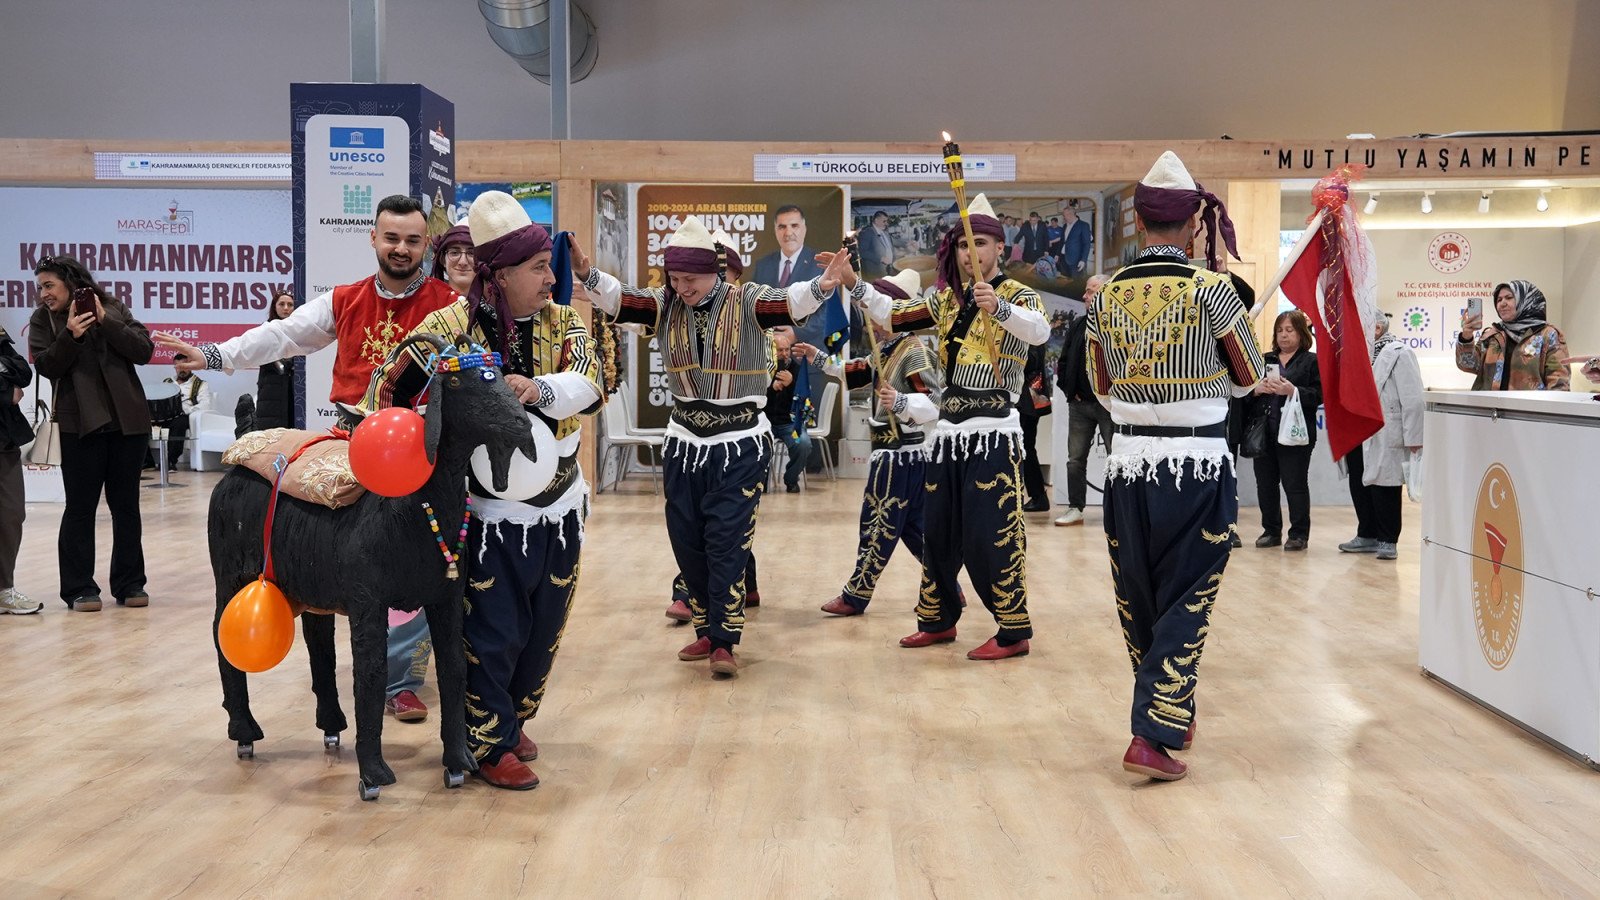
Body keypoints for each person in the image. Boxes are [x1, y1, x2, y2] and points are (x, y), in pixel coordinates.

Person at [157, 193, 459, 719]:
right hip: (352, 444)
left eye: (412, 240)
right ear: (373, 237)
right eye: (391, 238)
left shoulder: (451, 306)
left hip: (422, 452)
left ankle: (402, 680)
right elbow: (283, 336)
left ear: (425, 244)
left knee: (433, 562)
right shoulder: (342, 300)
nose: (401, 249)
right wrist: (214, 355)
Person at [361, 190, 602, 789]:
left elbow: (590, 382)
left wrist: (538, 389)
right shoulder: (448, 328)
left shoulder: (566, 322)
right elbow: (385, 388)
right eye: (539, 268)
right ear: (500, 276)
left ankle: (509, 720)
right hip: (484, 516)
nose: (551, 278)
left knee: (544, 629)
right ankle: (488, 741)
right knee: (493, 629)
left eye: (548, 266)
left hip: (560, 507)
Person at [583, 215, 850, 677]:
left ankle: (725, 639)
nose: (682, 287)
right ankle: (706, 628)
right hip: (684, 443)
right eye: (675, 278)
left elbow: (790, 301)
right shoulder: (665, 304)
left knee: (726, 540)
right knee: (687, 540)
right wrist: (587, 274)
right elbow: (621, 299)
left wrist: (822, 286)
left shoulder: (747, 300)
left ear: (715, 271)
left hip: (740, 444)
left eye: (690, 278)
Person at [1086, 150, 1265, 781]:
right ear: (1193, 224)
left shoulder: (1105, 297)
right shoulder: (1214, 291)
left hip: (1128, 463)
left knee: (1139, 593)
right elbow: (1246, 379)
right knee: (1189, 594)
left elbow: (1100, 386)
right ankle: (1154, 729)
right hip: (1196, 463)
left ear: (1138, 222)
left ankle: (1169, 709)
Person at [854, 193, 1049, 661]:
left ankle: (1012, 631)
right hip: (948, 434)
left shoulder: (1019, 295)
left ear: (999, 247)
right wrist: (853, 286)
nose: (970, 253)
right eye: (963, 244)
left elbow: (1039, 331)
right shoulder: (944, 300)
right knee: (938, 534)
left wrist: (999, 308)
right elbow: (894, 315)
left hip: (993, 434)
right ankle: (938, 620)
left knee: (992, 534)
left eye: (979, 243)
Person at [30, 255, 155, 611]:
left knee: (126, 507)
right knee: (80, 508)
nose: (43, 294)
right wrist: (71, 335)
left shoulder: (113, 307)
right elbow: (47, 366)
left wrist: (106, 321)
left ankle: (130, 584)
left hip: (127, 424)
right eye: (40, 287)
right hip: (79, 426)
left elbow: (144, 350)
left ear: (71, 282)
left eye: (49, 285)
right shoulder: (42, 320)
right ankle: (79, 588)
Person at [820, 269, 940, 617]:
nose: (871, 321)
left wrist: (900, 402)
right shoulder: (887, 350)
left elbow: (934, 401)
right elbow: (857, 371)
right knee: (914, 529)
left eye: (876, 313)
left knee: (877, 524)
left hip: (899, 456)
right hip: (898, 455)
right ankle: (946, 586)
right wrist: (818, 358)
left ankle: (856, 595)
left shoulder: (914, 352)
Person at [1340, 314, 1423, 560]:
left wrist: (1415, 436)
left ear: (1376, 328)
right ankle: (1366, 534)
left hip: (1386, 429)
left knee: (1385, 484)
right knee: (1359, 481)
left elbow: (1413, 399)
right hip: (1357, 428)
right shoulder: (1354, 355)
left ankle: (1388, 539)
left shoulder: (1399, 353)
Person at [1247, 310, 1321, 551]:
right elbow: (1244, 392)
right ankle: (1271, 531)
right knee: (1265, 484)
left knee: (1294, 484)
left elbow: (1319, 395)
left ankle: (1298, 534)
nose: (1284, 335)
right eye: (1279, 330)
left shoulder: (1311, 361)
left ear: (1301, 333)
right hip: (1264, 432)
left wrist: (1293, 391)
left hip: (1295, 434)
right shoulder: (1264, 359)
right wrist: (1256, 390)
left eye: (1289, 330)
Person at [1055, 274, 1113, 527]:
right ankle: (1075, 507)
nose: (1084, 296)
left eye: (1090, 291)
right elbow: (1064, 361)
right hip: (1079, 405)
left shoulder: (1117, 325)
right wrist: (1070, 390)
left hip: (1109, 406)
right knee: (1075, 459)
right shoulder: (1079, 324)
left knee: (1114, 459)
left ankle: (1116, 509)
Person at [1456, 280, 1570, 391]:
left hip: (1528, 404)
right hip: (1489, 403)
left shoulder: (1548, 335)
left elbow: (1559, 383)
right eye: (1499, 300)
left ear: (1527, 300)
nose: (1502, 303)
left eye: (1509, 298)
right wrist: (1466, 337)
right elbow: (1468, 365)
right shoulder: (1493, 335)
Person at [0, 325, 39, 614]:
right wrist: (5, 389)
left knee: (11, 515)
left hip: (4, 440)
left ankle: (4, 589)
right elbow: (11, 390)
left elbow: (23, 373)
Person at [765, 326, 821, 492]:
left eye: (787, 350)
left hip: (789, 423)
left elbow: (804, 401)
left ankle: (790, 479)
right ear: (770, 351)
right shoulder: (762, 370)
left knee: (803, 444)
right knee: (754, 444)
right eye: (779, 350)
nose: (784, 354)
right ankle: (761, 482)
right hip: (765, 423)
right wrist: (770, 388)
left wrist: (791, 385)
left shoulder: (797, 369)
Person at [251, 290, 299, 431]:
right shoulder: (264, 331)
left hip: (295, 390)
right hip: (271, 390)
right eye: (281, 304)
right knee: (271, 434)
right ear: (274, 307)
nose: (286, 308)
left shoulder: (301, 331)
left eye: (290, 305)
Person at [1018, 339, 1053, 512]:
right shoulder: (1032, 335)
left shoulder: (1030, 336)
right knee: (1025, 448)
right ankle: (1037, 495)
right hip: (1028, 401)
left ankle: (1037, 495)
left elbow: (1031, 362)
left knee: (1024, 448)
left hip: (1027, 402)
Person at [161, 367, 212, 467]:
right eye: (179, 367)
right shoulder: (167, 382)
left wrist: (186, 410)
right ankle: (147, 461)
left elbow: (205, 405)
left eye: (185, 367)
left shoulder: (200, 383)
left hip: (186, 416)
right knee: (143, 422)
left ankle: (170, 461)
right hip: (166, 415)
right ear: (175, 367)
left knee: (178, 423)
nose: (182, 370)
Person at [431, 222, 476, 295]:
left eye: (471, 253)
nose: (463, 262)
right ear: (442, 259)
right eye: (454, 253)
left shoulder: (495, 301)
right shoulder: (424, 301)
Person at [859, 210, 895, 279]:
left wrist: (908, 243)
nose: (886, 223)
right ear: (876, 220)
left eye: (887, 221)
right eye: (884, 221)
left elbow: (895, 241)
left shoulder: (885, 233)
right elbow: (862, 252)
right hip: (875, 274)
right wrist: (880, 258)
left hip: (888, 271)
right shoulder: (867, 232)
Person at [1058, 205, 1092, 276]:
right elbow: (1062, 241)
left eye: (1064, 215)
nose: (1064, 217)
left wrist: (1083, 260)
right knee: (1066, 279)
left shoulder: (1083, 225)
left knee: (1077, 280)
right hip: (1064, 258)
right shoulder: (1065, 226)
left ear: (1070, 214)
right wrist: (1057, 254)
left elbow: (1086, 244)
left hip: (1076, 260)